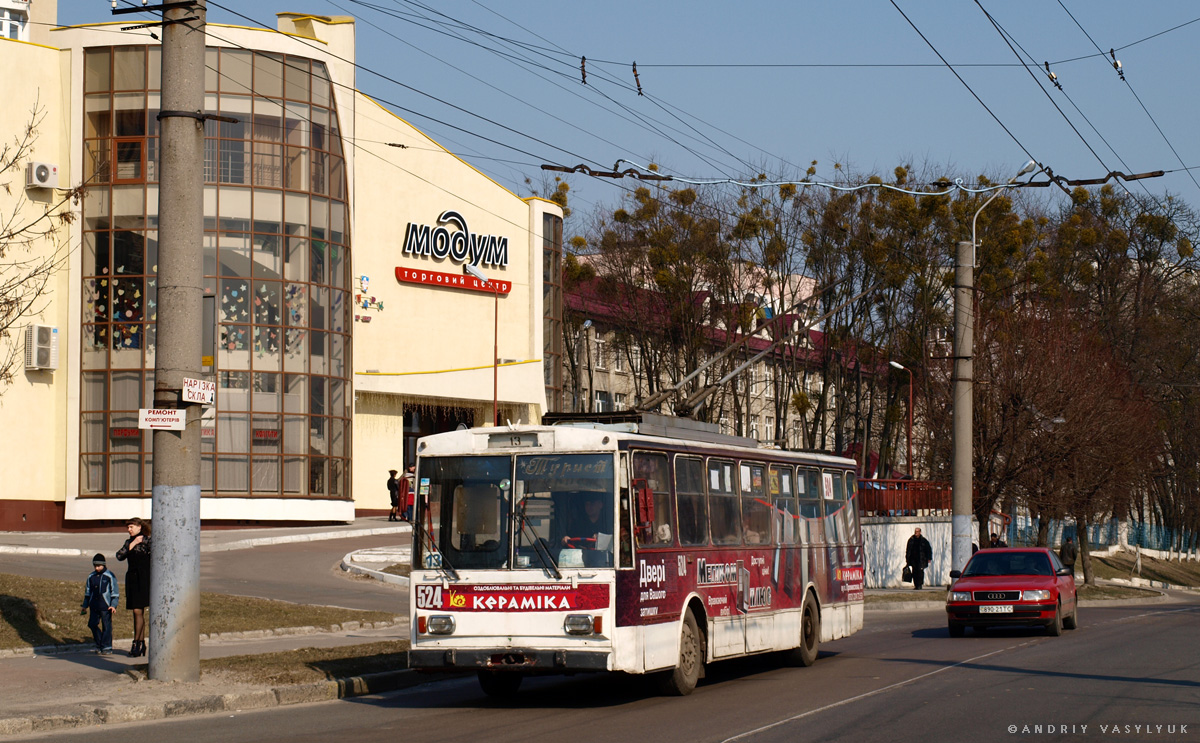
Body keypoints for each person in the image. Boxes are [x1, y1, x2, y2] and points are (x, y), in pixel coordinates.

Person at [116, 517, 151, 657]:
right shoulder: (129, 542)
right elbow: (120, 555)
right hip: (132, 578)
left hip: (144, 578)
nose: (129, 530)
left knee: (138, 610)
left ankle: (137, 643)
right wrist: (133, 544)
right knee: (137, 611)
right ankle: (141, 643)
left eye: (131, 527)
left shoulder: (148, 541)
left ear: (139, 527)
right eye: (128, 528)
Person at [80, 553, 118, 655]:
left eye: (99, 566)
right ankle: (99, 642)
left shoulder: (109, 576)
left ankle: (106, 646)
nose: (97, 568)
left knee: (107, 626)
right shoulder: (91, 576)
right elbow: (87, 592)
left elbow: (115, 593)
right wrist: (85, 605)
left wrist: (113, 605)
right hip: (94, 605)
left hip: (106, 606)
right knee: (92, 624)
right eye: (95, 566)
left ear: (104, 565)